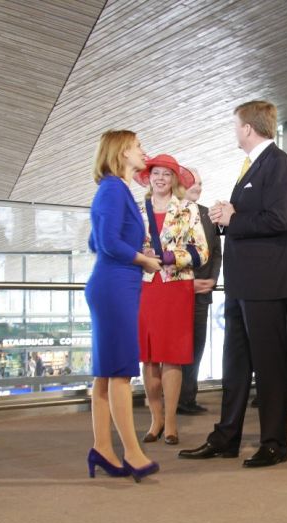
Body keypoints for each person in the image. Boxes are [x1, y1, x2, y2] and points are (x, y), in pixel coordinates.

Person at [179, 100, 287, 468]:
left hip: (265, 284)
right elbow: (253, 217)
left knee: (269, 366)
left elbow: (279, 219)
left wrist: (235, 218)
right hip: (242, 283)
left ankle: (275, 443)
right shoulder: (252, 165)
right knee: (235, 364)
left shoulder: (278, 163)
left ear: (248, 127)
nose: (234, 131)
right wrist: (226, 218)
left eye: (235, 125)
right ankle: (226, 438)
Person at [84, 129, 160, 481]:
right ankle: (132, 452)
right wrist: (143, 259)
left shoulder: (114, 189)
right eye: (138, 146)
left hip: (115, 283)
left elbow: (95, 241)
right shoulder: (114, 188)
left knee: (106, 373)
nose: (143, 151)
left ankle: (102, 448)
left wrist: (135, 252)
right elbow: (106, 243)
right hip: (115, 285)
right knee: (119, 372)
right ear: (122, 152)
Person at [137, 154, 209, 445]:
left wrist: (169, 257)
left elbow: (201, 252)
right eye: (156, 173)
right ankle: (155, 420)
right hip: (146, 288)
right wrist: (141, 256)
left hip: (176, 288)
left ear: (174, 180)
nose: (161, 179)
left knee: (172, 356)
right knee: (149, 357)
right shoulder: (137, 210)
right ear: (148, 177)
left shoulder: (188, 210)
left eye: (167, 174)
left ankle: (171, 422)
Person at [177, 167, 221, 415]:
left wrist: (212, 279)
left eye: (201, 183)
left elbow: (217, 253)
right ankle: (174, 399)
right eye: (193, 182)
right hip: (177, 293)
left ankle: (188, 398)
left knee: (197, 346)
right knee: (177, 349)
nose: (198, 187)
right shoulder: (172, 212)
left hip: (202, 293)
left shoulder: (207, 215)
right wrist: (186, 282)